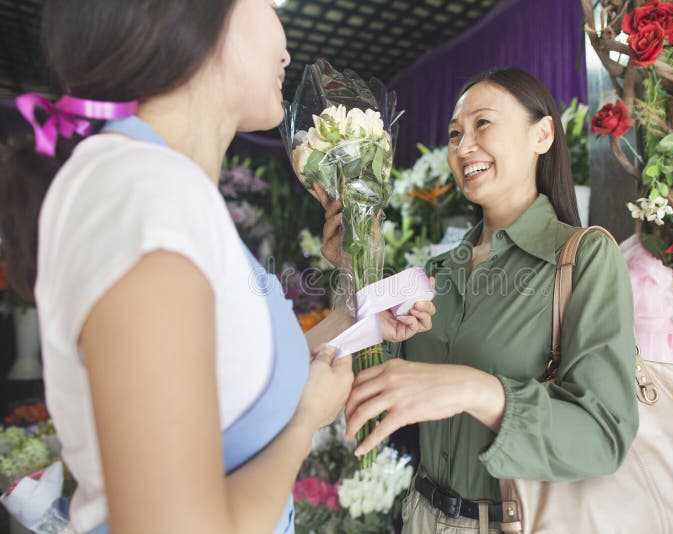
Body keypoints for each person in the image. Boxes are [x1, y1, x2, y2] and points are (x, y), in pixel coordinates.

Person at [0, 1, 435, 533]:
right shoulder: (141, 197)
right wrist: (303, 422)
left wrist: (355, 314)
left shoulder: (166, 189)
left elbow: (228, 377)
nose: (288, 44)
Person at [320, 68, 640, 533]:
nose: (463, 146)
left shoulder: (585, 257)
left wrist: (471, 388)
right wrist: (353, 270)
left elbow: (603, 437)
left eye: (482, 124)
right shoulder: (437, 273)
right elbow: (370, 390)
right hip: (420, 518)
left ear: (543, 134)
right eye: (454, 134)